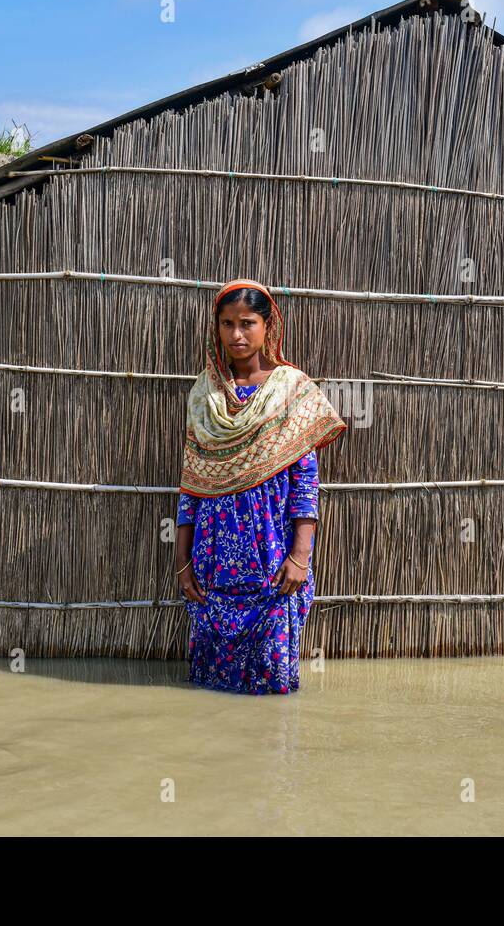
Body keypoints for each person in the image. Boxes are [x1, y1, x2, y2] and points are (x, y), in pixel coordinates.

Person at [174, 278, 347, 695]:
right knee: (212, 685)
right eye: (227, 323)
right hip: (213, 561)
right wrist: (182, 562)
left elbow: (306, 483)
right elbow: (191, 485)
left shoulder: (292, 389)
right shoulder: (206, 394)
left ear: (268, 327)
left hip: (273, 560)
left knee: (271, 683)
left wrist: (300, 557)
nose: (236, 334)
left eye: (247, 323)